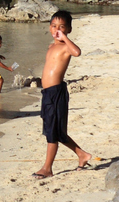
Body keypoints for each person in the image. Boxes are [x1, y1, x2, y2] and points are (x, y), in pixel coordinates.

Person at [32, 11, 94, 178]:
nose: (57, 30)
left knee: (53, 133)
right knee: (55, 131)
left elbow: (77, 52)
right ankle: (82, 155)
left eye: (61, 27)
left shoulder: (66, 46)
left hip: (56, 93)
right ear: (49, 27)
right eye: (53, 26)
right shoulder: (51, 46)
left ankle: (47, 168)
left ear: (69, 30)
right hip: (47, 93)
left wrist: (64, 38)